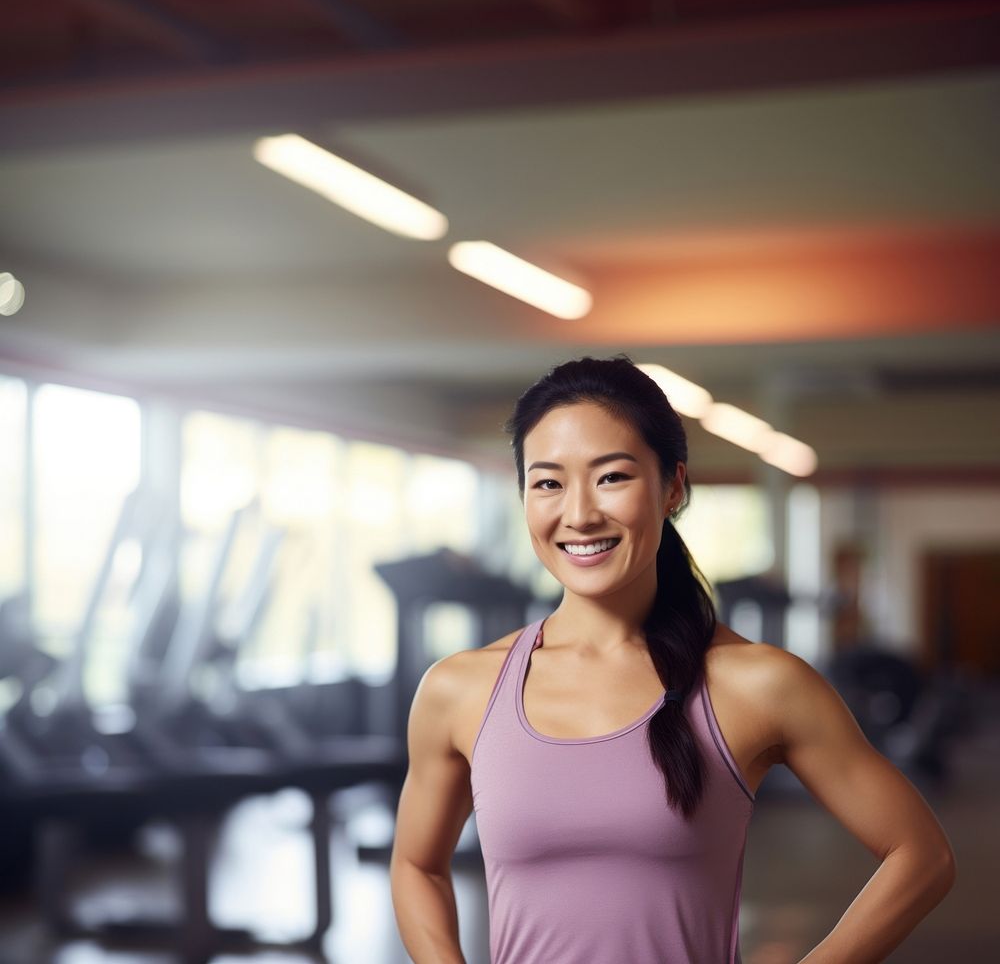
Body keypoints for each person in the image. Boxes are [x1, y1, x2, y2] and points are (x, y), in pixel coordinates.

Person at [389, 354, 956, 964]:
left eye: (612, 477)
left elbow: (921, 856)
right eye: (548, 482)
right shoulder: (461, 689)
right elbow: (417, 865)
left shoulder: (758, 684)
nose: (578, 513)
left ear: (673, 487)